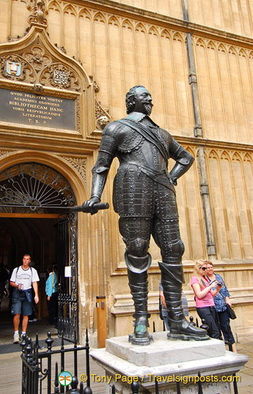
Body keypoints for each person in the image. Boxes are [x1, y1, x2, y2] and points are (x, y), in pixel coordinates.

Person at [83, 85, 207, 344]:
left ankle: (177, 320)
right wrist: (95, 196)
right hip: (132, 188)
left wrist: (170, 178)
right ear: (131, 101)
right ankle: (141, 318)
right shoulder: (116, 128)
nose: (150, 100)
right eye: (144, 97)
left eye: (150, 97)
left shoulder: (162, 133)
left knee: (174, 247)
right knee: (137, 247)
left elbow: (185, 157)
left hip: (163, 191)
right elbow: (101, 166)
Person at [205, 261, 237, 352]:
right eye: (207, 267)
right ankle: (220, 351)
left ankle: (234, 350)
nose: (209, 269)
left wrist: (227, 299)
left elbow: (225, 290)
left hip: (223, 306)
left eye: (211, 267)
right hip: (212, 307)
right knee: (216, 330)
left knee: (226, 328)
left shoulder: (218, 277)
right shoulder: (205, 279)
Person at [10, 254, 40, 343]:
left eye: (27, 259)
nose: (25, 261)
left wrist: (36, 295)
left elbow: (34, 283)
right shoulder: (17, 270)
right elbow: (11, 282)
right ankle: (16, 334)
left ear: (29, 261)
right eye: (24, 259)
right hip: (18, 293)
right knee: (17, 313)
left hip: (28, 292)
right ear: (22, 260)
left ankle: (23, 333)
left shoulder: (32, 271)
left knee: (26, 314)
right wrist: (17, 285)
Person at [190, 260, 222, 339]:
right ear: (198, 268)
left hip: (211, 305)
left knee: (217, 329)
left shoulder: (206, 279)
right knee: (214, 331)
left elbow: (211, 294)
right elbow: (199, 295)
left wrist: (218, 288)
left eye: (206, 268)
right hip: (203, 307)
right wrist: (210, 286)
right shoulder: (195, 279)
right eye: (204, 268)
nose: (206, 270)